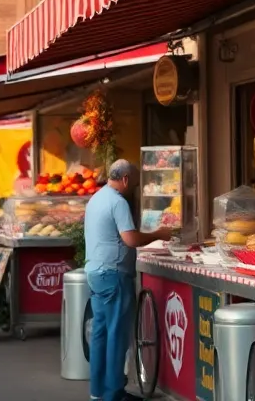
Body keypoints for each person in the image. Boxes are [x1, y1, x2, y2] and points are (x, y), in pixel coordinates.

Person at [85, 160, 174, 401]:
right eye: (133, 181)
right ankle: (113, 393)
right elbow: (131, 239)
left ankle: (97, 391)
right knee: (117, 334)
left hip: (95, 272)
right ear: (125, 179)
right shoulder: (118, 202)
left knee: (101, 333)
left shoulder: (97, 198)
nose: (134, 185)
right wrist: (159, 234)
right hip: (114, 275)